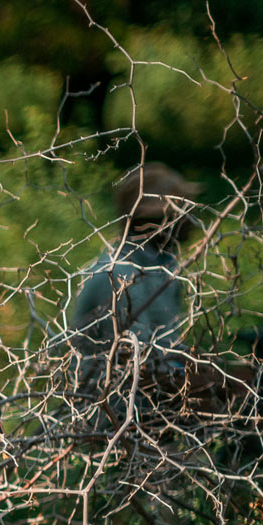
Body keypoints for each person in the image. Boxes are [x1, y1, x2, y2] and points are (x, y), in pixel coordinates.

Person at [66, 162, 202, 385]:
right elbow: (138, 365)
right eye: (180, 212)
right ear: (151, 220)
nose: (190, 221)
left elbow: (167, 350)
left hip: (153, 404)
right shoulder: (117, 275)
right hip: (114, 411)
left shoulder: (161, 269)